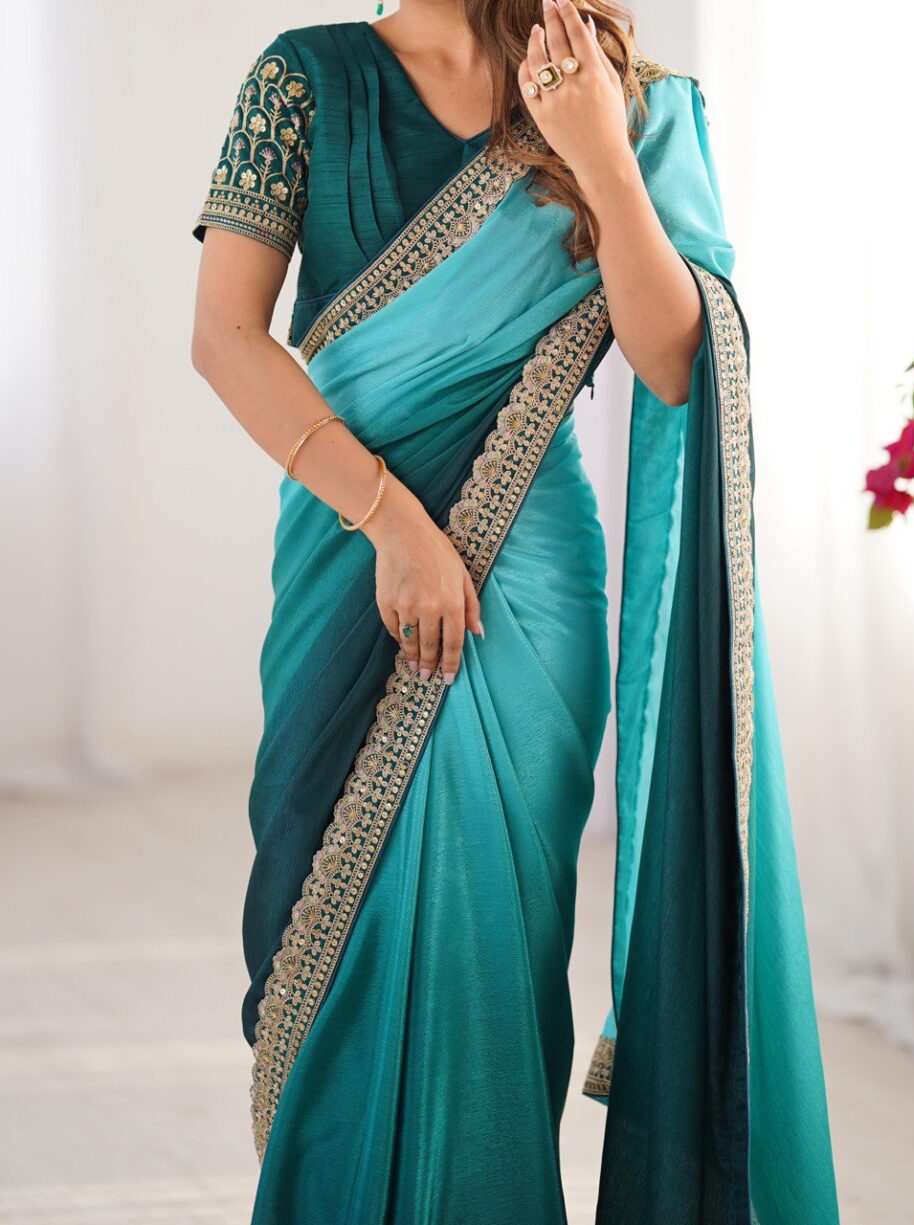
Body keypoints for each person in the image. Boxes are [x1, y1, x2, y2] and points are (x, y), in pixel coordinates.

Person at [191, 2, 839, 1221]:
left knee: (490, 953)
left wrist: (597, 150)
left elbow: (672, 360)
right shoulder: (305, 78)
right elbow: (225, 337)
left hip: (524, 591)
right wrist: (391, 524)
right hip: (349, 555)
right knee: (325, 945)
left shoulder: (625, 95)